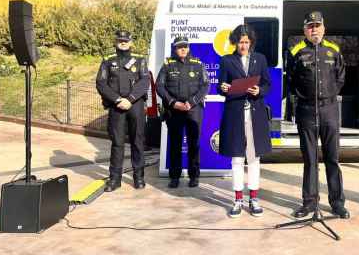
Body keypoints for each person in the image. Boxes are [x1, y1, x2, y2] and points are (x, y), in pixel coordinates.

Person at [286, 11, 349, 219]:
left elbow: (340, 78)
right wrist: (304, 97)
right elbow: (292, 81)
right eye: (310, 26)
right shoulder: (296, 51)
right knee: (310, 160)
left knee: (332, 158)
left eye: (317, 25)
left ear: (324, 28)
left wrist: (329, 96)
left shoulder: (334, 50)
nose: (314, 29)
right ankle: (310, 203)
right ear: (305, 29)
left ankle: (337, 202)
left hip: (329, 110)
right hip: (306, 111)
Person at [217, 25, 272, 218]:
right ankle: (238, 199)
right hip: (235, 113)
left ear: (252, 43)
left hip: (255, 113)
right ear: (235, 42)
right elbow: (220, 86)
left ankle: (254, 198)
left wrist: (260, 91)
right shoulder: (227, 61)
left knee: (254, 157)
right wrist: (223, 87)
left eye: (247, 42)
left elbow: (267, 83)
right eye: (240, 41)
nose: (244, 45)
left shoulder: (260, 59)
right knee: (237, 158)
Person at [96, 30, 150, 192]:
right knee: (117, 143)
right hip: (116, 106)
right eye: (120, 40)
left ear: (131, 42)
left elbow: (145, 81)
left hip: (135, 106)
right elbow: (101, 83)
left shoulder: (140, 60)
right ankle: (114, 179)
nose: (123, 42)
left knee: (137, 142)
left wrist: (130, 99)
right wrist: (118, 100)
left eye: (126, 40)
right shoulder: (107, 61)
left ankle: (139, 178)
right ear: (116, 42)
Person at [156, 36, 209, 188]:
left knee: (194, 144)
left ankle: (194, 176)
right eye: (180, 47)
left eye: (185, 46)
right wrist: (173, 102)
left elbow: (205, 85)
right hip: (174, 110)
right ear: (175, 49)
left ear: (189, 48)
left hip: (194, 110)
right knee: (175, 144)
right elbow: (159, 86)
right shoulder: (168, 65)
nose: (183, 49)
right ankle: (174, 177)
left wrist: (191, 102)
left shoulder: (197, 64)